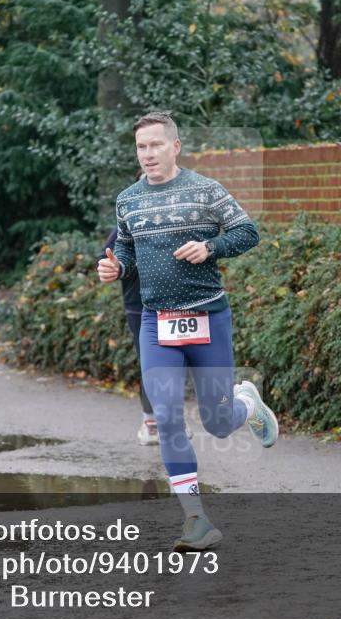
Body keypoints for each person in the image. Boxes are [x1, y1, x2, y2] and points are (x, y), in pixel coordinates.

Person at [97, 111, 278, 552]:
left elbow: (247, 232)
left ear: (175, 146)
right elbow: (125, 248)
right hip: (157, 324)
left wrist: (210, 246)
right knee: (168, 417)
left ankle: (246, 404)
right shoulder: (128, 200)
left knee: (217, 424)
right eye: (142, 147)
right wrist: (116, 266)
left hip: (208, 318)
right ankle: (196, 518)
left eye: (156, 145)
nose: (148, 154)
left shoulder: (204, 190)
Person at [100, 170, 193, 446]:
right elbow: (105, 263)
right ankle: (151, 422)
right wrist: (112, 267)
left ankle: (174, 420)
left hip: (176, 305)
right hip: (139, 307)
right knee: (152, 366)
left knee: (177, 363)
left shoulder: (179, 226)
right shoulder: (123, 229)